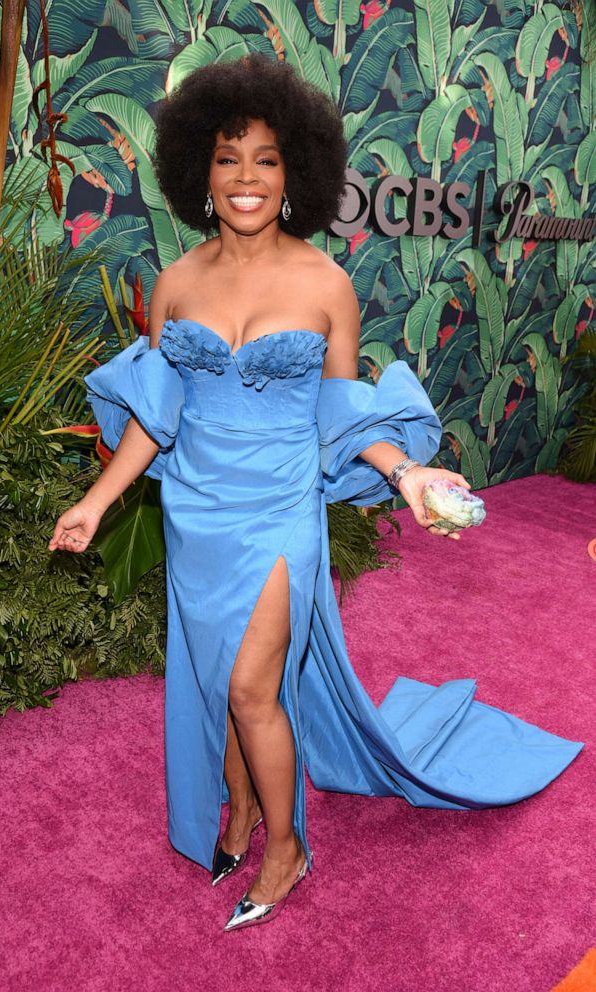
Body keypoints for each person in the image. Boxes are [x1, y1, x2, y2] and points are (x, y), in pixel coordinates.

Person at [48, 55, 582, 933]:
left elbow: (339, 414)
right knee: (222, 683)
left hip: (276, 517)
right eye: (227, 159)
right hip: (198, 517)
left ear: (295, 171)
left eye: (265, 159)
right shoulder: (176, 283)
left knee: (253, 687)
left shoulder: (324, 284)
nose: (246, 179)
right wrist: (99, 502)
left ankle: (285, 848)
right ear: (199, 171)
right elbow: (159, 413)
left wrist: (405, 472)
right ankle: (246, 806)